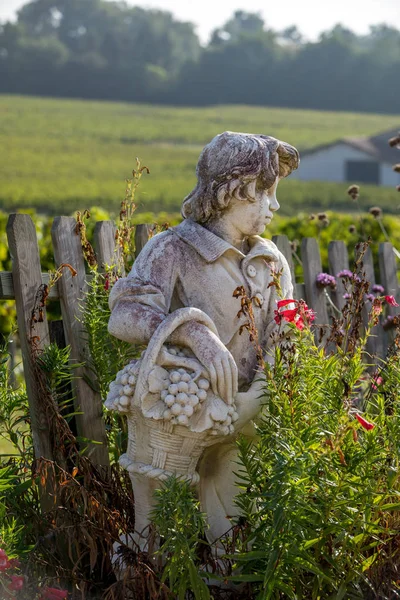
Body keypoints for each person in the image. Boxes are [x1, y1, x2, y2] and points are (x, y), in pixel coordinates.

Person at [108, 131, 299, 542]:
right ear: (235, 190)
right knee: (158, 541)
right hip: (181, 422)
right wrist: (194, 331)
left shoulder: (272, 262)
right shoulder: (173, 249)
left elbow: (285, 341)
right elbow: (124, 314)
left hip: (245, 424)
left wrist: (254, 401)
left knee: (231, 543)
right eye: (266, 194)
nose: (275, 206)